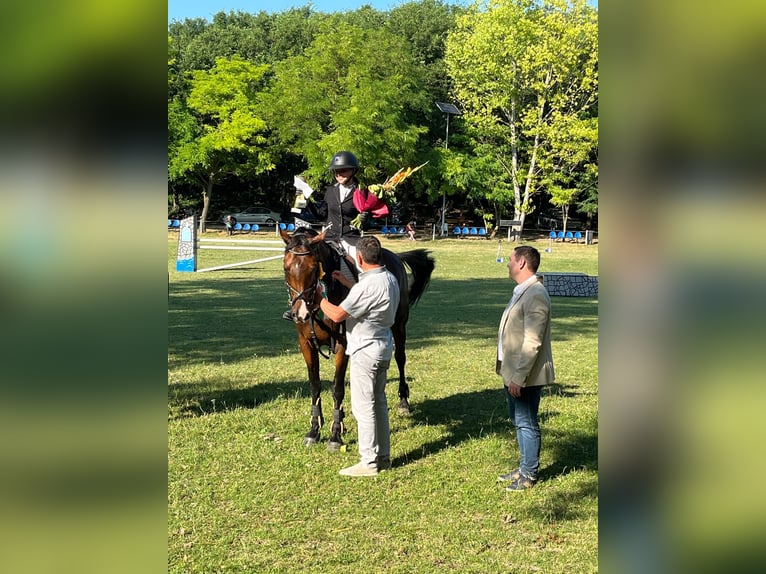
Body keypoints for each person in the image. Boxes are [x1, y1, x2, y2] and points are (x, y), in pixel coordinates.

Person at [316, 236, 400, 477]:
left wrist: (319, 299)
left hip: (365, 351)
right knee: (379, 403)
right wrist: (346, 281)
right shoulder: (389, 279)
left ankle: (369, 462)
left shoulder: (366, 286)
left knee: (363, 408)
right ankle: (383, 455)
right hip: (384, 346)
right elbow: (370, 299)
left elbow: (338, 314)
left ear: (360, 258)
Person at [496, 245, 555, 491]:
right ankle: (523, 467)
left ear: (521, 263)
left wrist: (519, 377)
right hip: (514, 372)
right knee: (519, 420)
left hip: (526, 375)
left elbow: (533, 341)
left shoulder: (535, 294)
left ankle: (529, 474)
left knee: (527, 422)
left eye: (510, 260)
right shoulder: (523, 291)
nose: (507, 264)